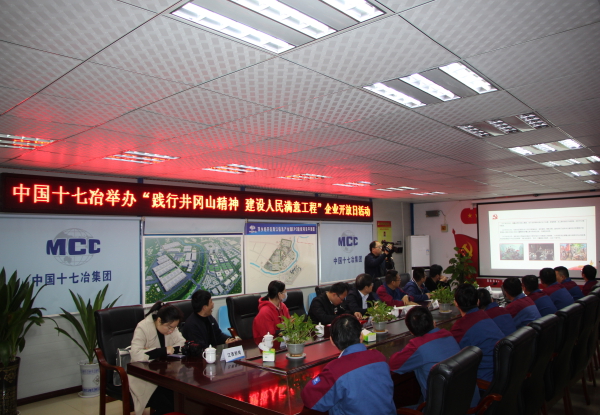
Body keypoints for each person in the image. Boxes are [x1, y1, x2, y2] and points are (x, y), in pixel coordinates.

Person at [301, 314, 396, 415]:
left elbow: (309, 398)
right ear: (361, 336)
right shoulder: (379, 357)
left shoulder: (335, 369)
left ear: (332, 340)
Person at [390, 306, 480, 408]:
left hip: (444, 408)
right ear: (434, 323)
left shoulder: (417, 346)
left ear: (411, 332)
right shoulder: (448, 335)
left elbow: (394, 364)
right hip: (469, 404)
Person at [129, 302, 186, 415]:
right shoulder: (143, 327)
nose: (171, 331)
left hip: (166, 375)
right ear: (159, 320)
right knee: (169, 405)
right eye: (169, 328)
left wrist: (152, 351)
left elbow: (182, 343)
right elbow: (135, 354)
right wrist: (164, 350)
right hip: (145, 379)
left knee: (182, 399)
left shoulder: (171, 326)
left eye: (174, 328)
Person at [451, 283, 504, 383]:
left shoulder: (460, 327)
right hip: (501, 373)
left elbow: (450, 354)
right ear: (478, 301)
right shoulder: (485, 316)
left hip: (484, 379)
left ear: (456, 303)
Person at [252, 280, 291, 345]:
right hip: (268, 345)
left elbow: (289, 324)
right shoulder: (265, 312)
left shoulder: (283, 306)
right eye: (285, 291)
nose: (286, 293)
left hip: (283, 343)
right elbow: (270, 335)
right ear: (279, 294)